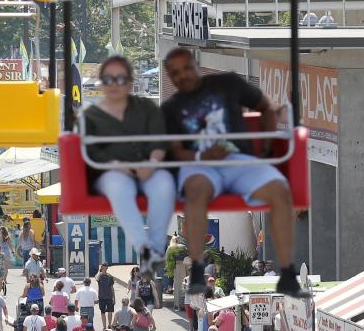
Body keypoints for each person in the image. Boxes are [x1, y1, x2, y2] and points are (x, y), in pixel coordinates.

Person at [161, 48, 303, 297]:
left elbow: (265, 108)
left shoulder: (229, 83)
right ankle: (196, 269)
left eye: (186, 68)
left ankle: (288, 271)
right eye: (176, 73)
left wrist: (266, 149)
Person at [82, 58, 175, 271]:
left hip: (146, 168)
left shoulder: (146, 107)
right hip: (111, 172)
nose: (115, 84)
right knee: (118, 186)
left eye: (121, 79)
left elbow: (160, 139)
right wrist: (119, 165)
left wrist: (151, 164)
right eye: (109, 79)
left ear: (130, 82)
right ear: (102, 83)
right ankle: (144, 248)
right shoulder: (91, 116)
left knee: (163, 182)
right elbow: (92, 152)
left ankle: (157, 249)